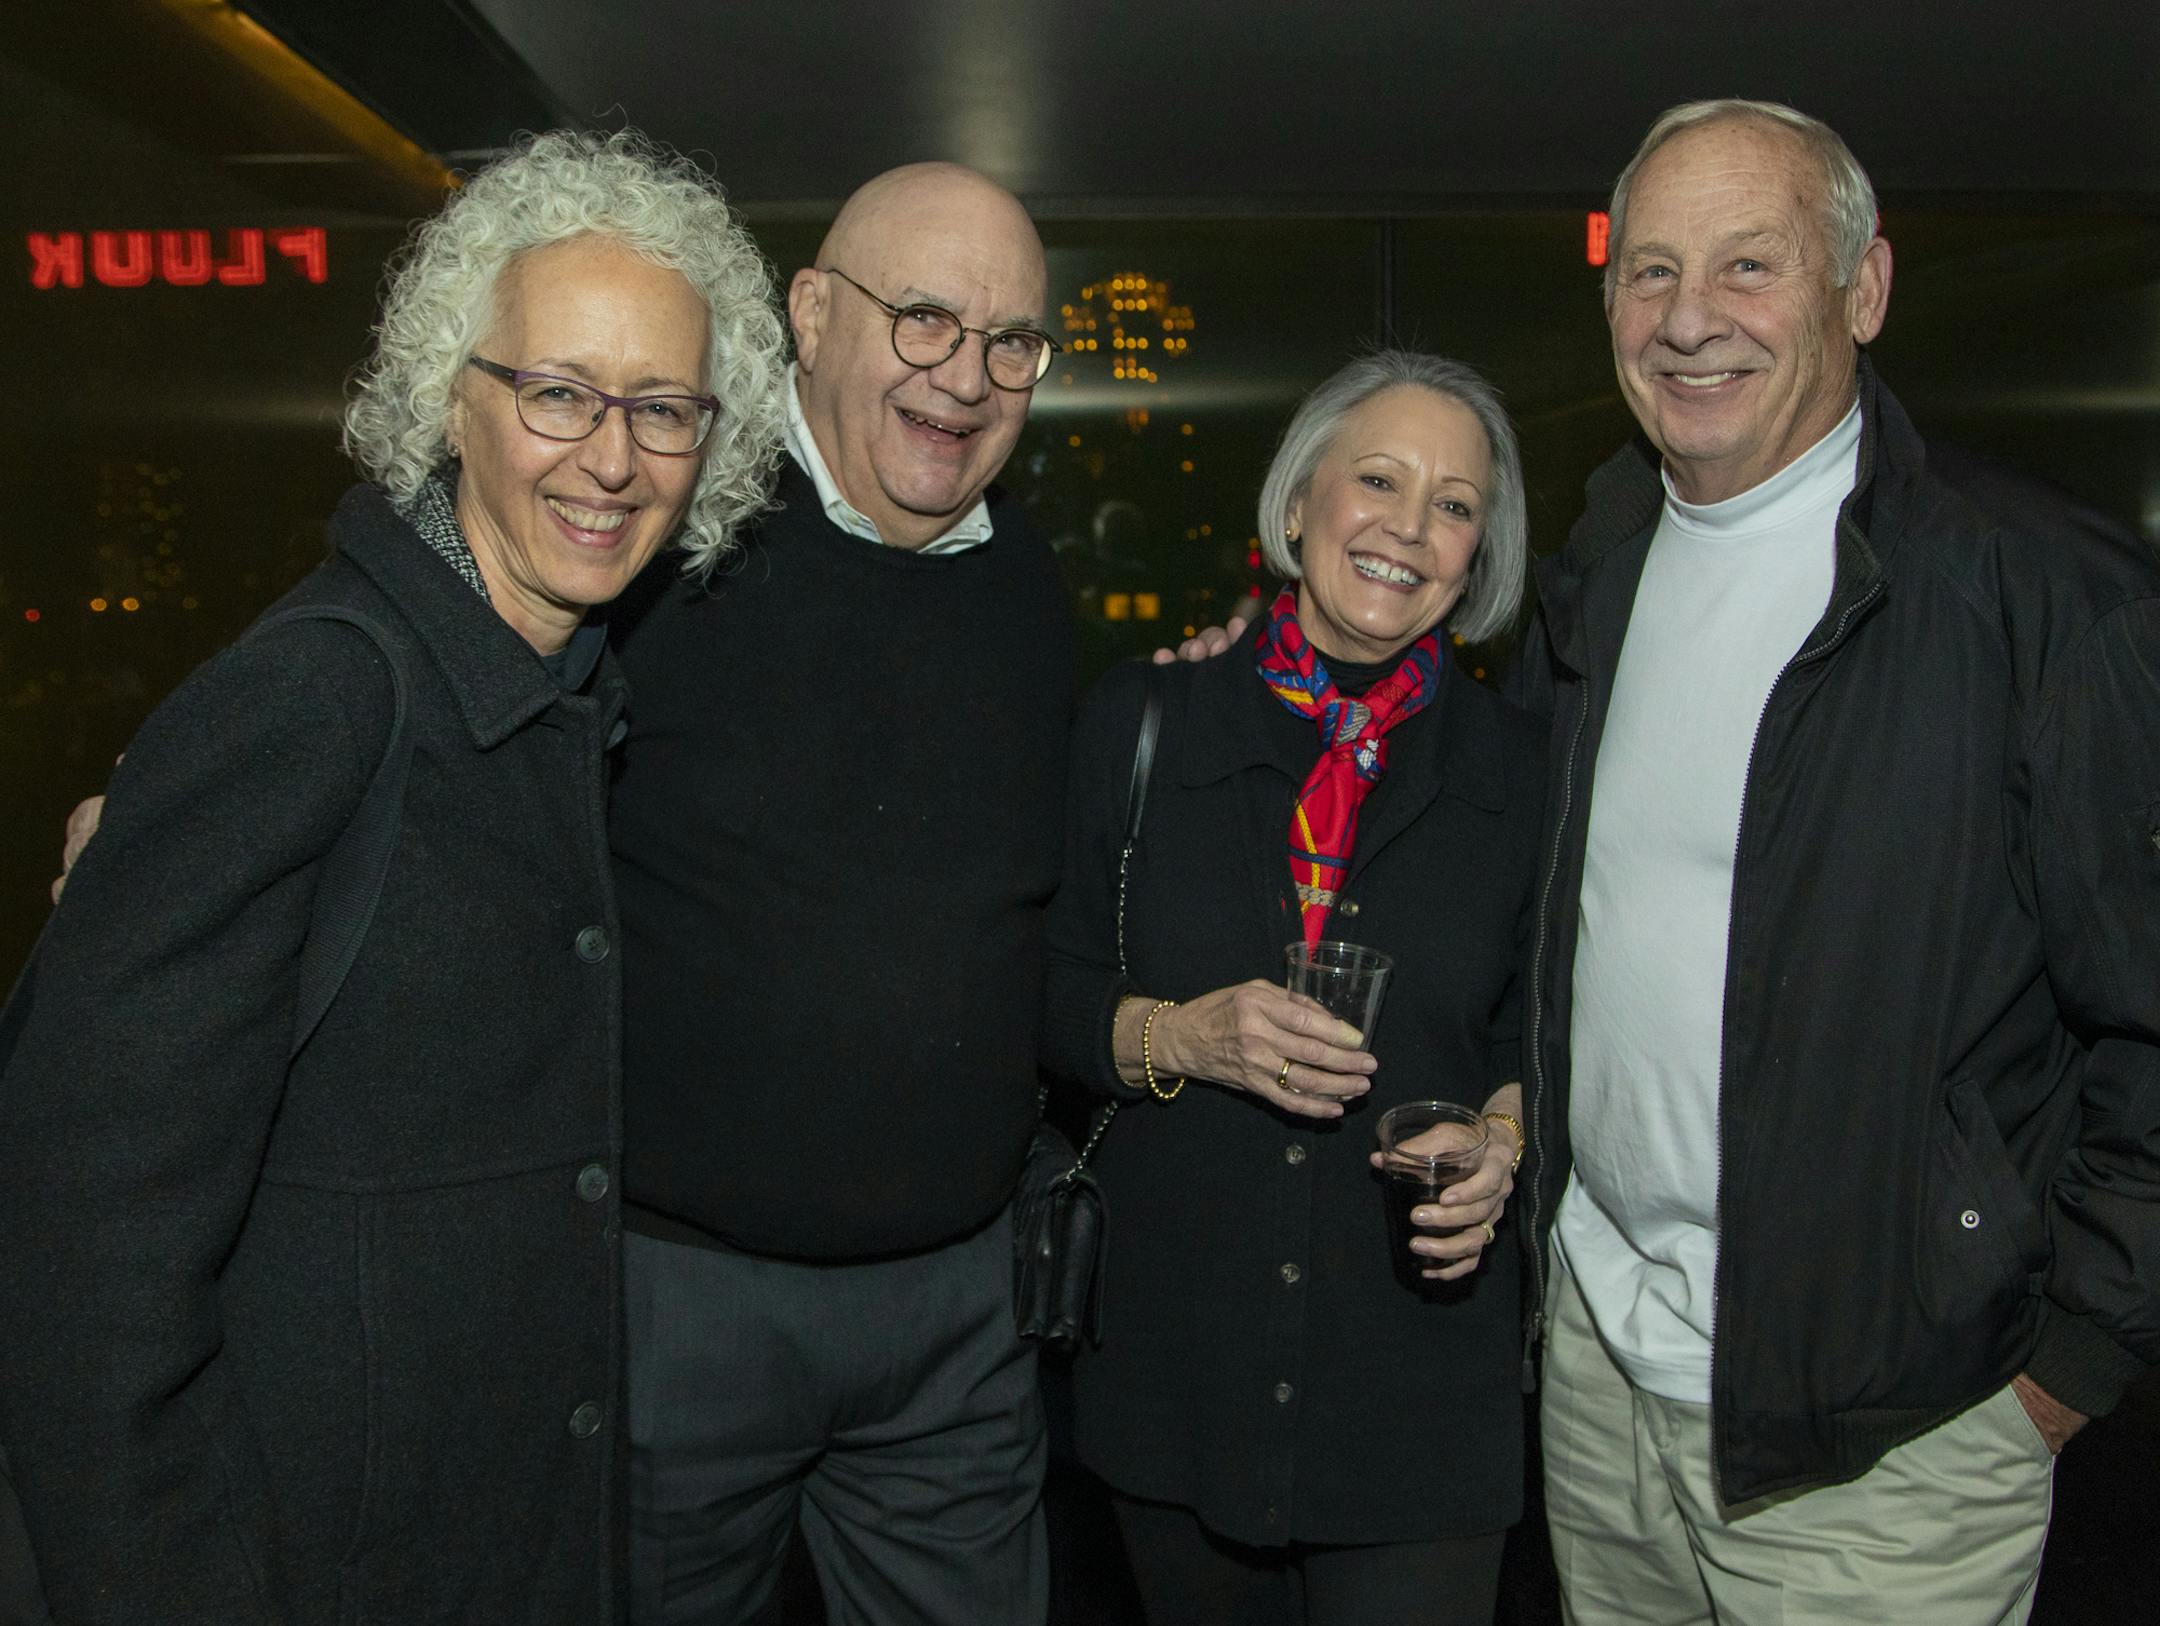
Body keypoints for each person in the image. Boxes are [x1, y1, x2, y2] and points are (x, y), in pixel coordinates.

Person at [0, 129, 787, 1623]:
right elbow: (84, 1249)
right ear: (449, 396)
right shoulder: (318, 700)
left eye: (663, 407)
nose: (612, 458)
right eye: (557, 392)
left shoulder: (566, 695)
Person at [1513, 99, 2160, 1624]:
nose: (1689, 320)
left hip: (1889, 1433)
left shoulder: (2043, 598)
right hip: (1603, 1381)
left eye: (1749, 265)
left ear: (1862, 290)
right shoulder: (1600, 565)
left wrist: (2067, 1369)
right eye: (1650, 271)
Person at [600, 163, 1075, 1624]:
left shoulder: (1030, 587)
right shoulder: (662, 537)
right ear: (811, 314)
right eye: (923, 318)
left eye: (1010, 341)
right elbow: (445, 691)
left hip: (961, 1324)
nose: (965, 378)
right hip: (679, 1307)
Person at [1043, 351, 1546, 1626]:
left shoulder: (1525, 770)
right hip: (1179, 1374)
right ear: (1300, 498)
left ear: (1479, 554)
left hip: (1421, 1394)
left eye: (1454, 504)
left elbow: (1546, 1033)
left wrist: (1500, 1144)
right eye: (1377, 480)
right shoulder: (1145, 721)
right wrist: (1185, 1036)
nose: (1408, 527)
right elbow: (1042, 995)